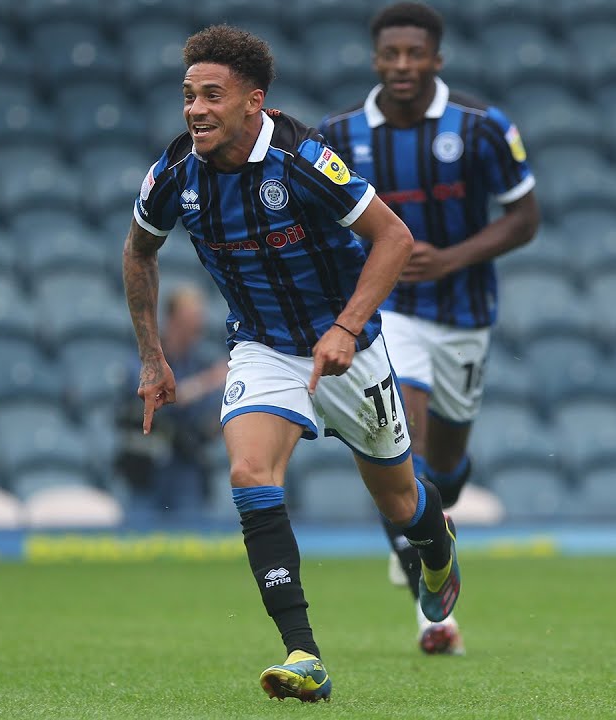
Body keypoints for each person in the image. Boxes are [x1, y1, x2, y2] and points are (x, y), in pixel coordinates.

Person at [122, 24, 461, 703]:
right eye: (188, 96)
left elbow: (393, 237)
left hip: (349, 352)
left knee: (398, 500)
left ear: (254, 101)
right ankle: (303, 653)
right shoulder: (176, 173)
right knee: (249, 471)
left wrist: (347, 326)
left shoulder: (306, 160)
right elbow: (139, 251)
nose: (195, 110)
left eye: (212, 96)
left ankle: (438, 549)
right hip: (263, 346)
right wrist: (154, 358)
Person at [318, 2, 539, 656]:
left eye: (416, 54)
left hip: (467, 316)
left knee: (444, 462)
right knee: (404, 447)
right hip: (393, 315)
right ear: (376, 59)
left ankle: (421, 526)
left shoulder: (482, 128)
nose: (403, 65)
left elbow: (525, 218)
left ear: (437, 59)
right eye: (392, 54)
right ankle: (432, 612)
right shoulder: (340, 134)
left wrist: (449, 258)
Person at [113, 283, 227, 521]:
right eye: (191, 319)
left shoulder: (199, 361)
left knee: (191, 540)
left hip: (186, 466)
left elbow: (211, 418)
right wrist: (206, 382)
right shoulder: (146, 358)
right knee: (140, 539)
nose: (198, 326)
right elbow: (154, 397)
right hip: (147, 467)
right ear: (173, 319)